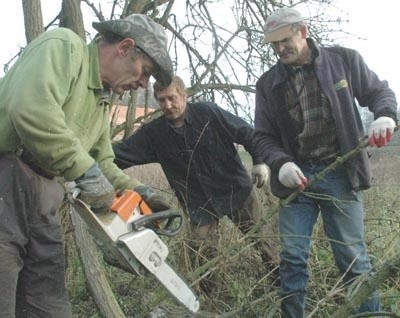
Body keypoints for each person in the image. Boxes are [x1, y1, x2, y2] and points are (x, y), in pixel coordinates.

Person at [0, 14, 173, 318]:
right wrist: (83, 170)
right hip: (6, 175)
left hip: (46, 195)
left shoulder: (101, 100)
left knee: (48, 303)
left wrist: (138, 191)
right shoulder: (64, 48)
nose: (143, 84)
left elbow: (101, 162)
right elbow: (31, 109)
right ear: (124, 48)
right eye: (145, 72)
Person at [254, 7, 398, 317]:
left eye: (285, 40)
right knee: (292, 257)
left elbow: (378, 91)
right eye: (274, 44)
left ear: (303, 31)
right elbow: (262, 136)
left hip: (340, 173)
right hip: (296, 179)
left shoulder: (342, 61)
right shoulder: (268, 83)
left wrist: (385, 114)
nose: (280, 49)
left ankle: (369, 315)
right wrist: (281, 163)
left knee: (352, 258)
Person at [113, 75, 281, 292]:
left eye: (172, 98)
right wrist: (88, 158)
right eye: (162, 100)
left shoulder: (208, 113)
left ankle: (282, 284)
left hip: (235, 190)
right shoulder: (153, 134)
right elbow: (119, 155)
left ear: (184, 96)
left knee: (262, 241)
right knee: (201, 252)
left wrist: (259, 161)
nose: (168, 105)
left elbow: (246, 133)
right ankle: (213, 300)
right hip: (198, 203)